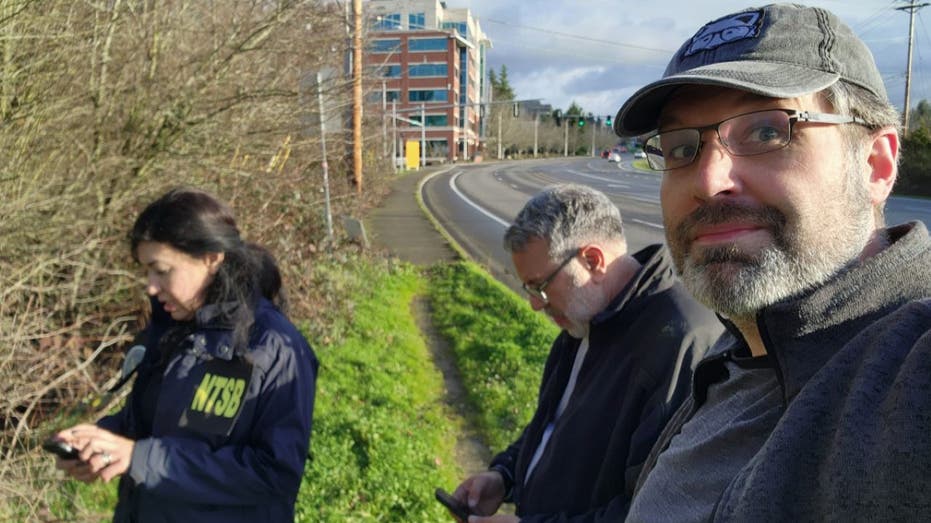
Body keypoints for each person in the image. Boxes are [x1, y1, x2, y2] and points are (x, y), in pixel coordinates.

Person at [611, 3, 931, 521]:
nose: (709, 180)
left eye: (765, 131)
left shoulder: (909, 367)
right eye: (680, 147)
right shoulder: (735, 354)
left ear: (876, 164)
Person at [451, 184, 723, 522]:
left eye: (540, 286)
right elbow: (551, 425)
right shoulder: (583, 318)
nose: (535, 305)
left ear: (592, 260)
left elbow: (658, 509)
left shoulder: (681, 340)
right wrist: (504, 476)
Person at [52, 187, 319, 522]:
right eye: (146, 271)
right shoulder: (171, 331)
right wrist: (99, 444)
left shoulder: (274, 347)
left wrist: (139, 458)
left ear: (212, 256)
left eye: (162, 270)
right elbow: (155, 425)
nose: (150, 286)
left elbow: (274, 474)